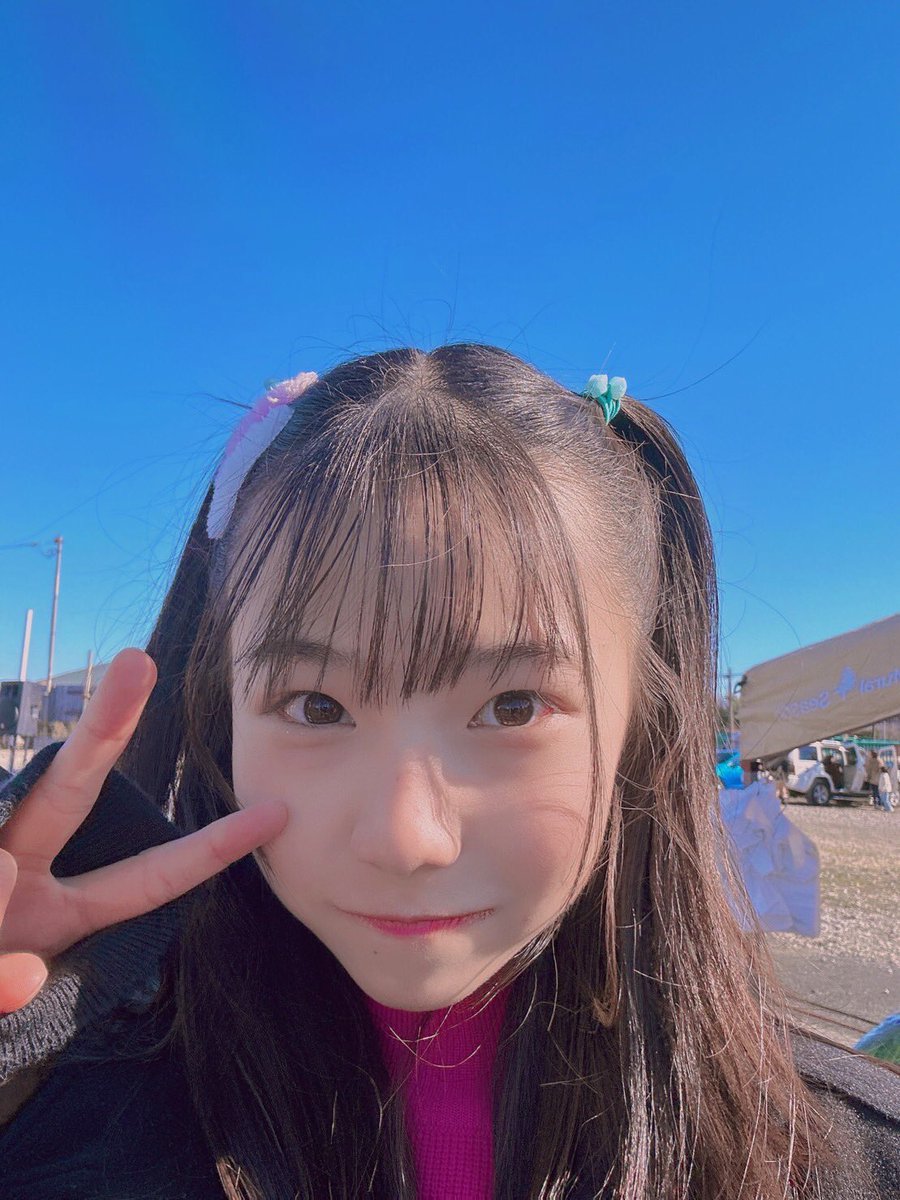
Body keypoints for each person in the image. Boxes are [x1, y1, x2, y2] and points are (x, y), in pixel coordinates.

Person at [0, 346, 897, 1200]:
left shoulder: (842, 1159)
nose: (407, 839)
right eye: (317, 706)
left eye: (513, 707)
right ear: (220, 714)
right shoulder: (65, 1112)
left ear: (642, 728)